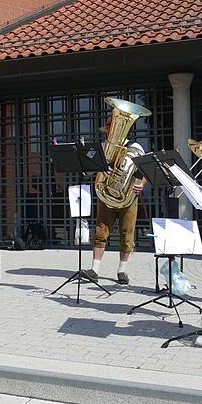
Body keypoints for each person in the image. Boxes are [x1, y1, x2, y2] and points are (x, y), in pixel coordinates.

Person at [81, 119, 146, 285]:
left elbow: (145, 170)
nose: (108, 134)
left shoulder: (136, 147)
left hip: (128, 196)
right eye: (108, 131)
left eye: (111, 130)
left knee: (127, 233)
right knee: (100, 231)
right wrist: (101, 168)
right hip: (107, 195)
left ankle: (122, 270)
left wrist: (141, 184)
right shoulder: (102, 147)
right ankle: (94, 269)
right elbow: (87, 169)